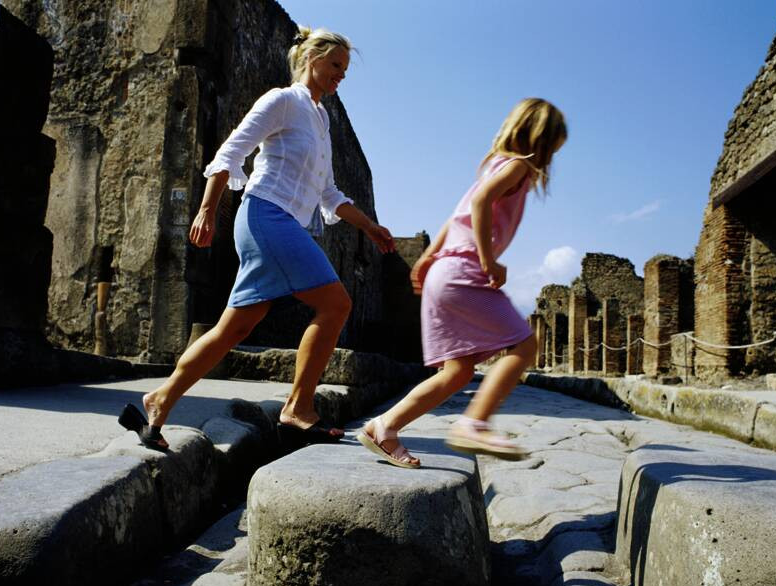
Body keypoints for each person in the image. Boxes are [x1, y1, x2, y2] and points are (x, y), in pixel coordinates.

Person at [119, 26, 395, 450]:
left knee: (233, 329)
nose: (341, 75)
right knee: (336, 303)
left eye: (345, 69)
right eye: (336, 65)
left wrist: (369, 226)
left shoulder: (321, 120)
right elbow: (230, 153)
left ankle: (160, 400)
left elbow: (328, 193)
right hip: (266, 216)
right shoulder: (282, 101)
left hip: (283, 224)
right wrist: (207, 210)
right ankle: (298, 409)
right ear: (311, 59)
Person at [357, 98, 567, 468]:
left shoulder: (496, 165)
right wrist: (489, 261)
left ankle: (384, 427)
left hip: (444, 272)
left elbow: (455, 217)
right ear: (541, 140)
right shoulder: (518, 165)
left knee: (458, 372)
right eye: (552, 148)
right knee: (525, 344)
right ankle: (475, 423)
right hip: (464, 273)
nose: (551, 158)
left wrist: (427, 259)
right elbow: (482, 202)